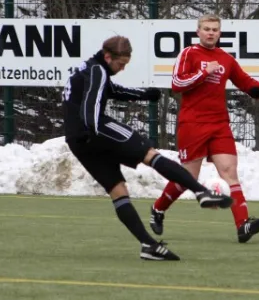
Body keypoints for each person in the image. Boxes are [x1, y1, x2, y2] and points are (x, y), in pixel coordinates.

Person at [62, 35, 233, 261]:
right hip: (94, 131)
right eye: (120, 64)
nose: (121, 69)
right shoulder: (98, 71)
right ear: (107, 56)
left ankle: (148, 245)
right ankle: (201, 191)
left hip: (77, 141)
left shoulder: (91, 69)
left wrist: (143, 94)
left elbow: (110, 91)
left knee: (118, 190)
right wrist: (94, 129)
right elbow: (91, 108)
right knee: (150, 155)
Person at [149, 14, 259, 243]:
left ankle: (242, 225)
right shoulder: (189, 53)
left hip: (219, 123)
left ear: (219, 33)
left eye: (215, 29)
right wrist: (204, 72)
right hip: (192, 123)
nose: (210, 32)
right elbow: (177, 84)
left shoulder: (225, 58)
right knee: (188, 176)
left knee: (229, 172)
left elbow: (246, 83)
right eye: (206, 28)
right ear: (198, 31)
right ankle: (158, 209)